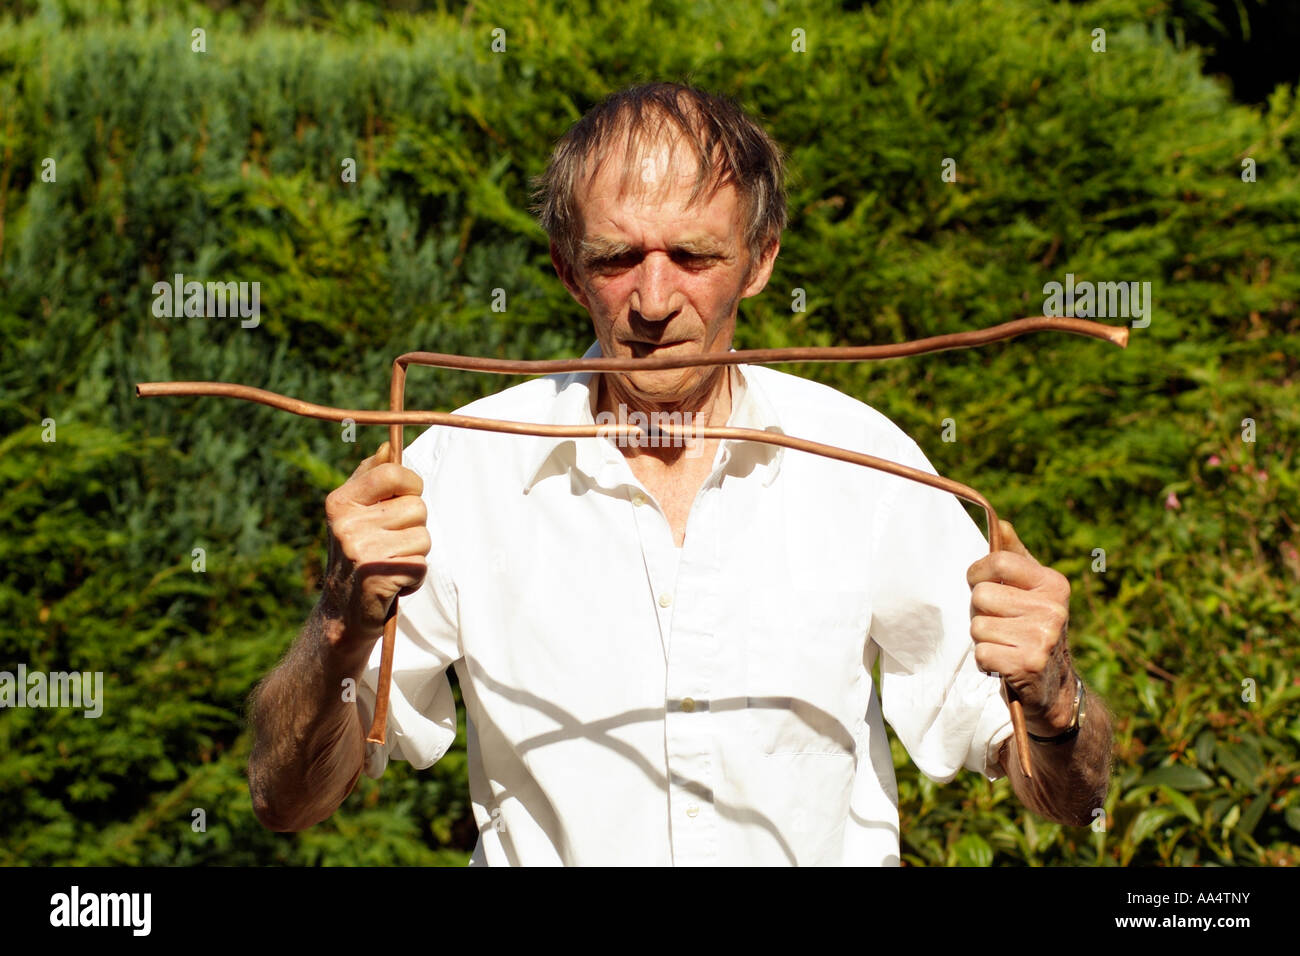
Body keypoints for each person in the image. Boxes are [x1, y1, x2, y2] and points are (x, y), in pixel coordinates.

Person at [248, 81, 1112, 865]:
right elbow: (286, 800)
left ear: (762, 259)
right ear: (565, 268)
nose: (655, 303)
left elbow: (1071, 798)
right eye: (617, 258)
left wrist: (1053, 694)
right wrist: (337, 623)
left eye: (694, 258)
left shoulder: (866, 465)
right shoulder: (461, 472)